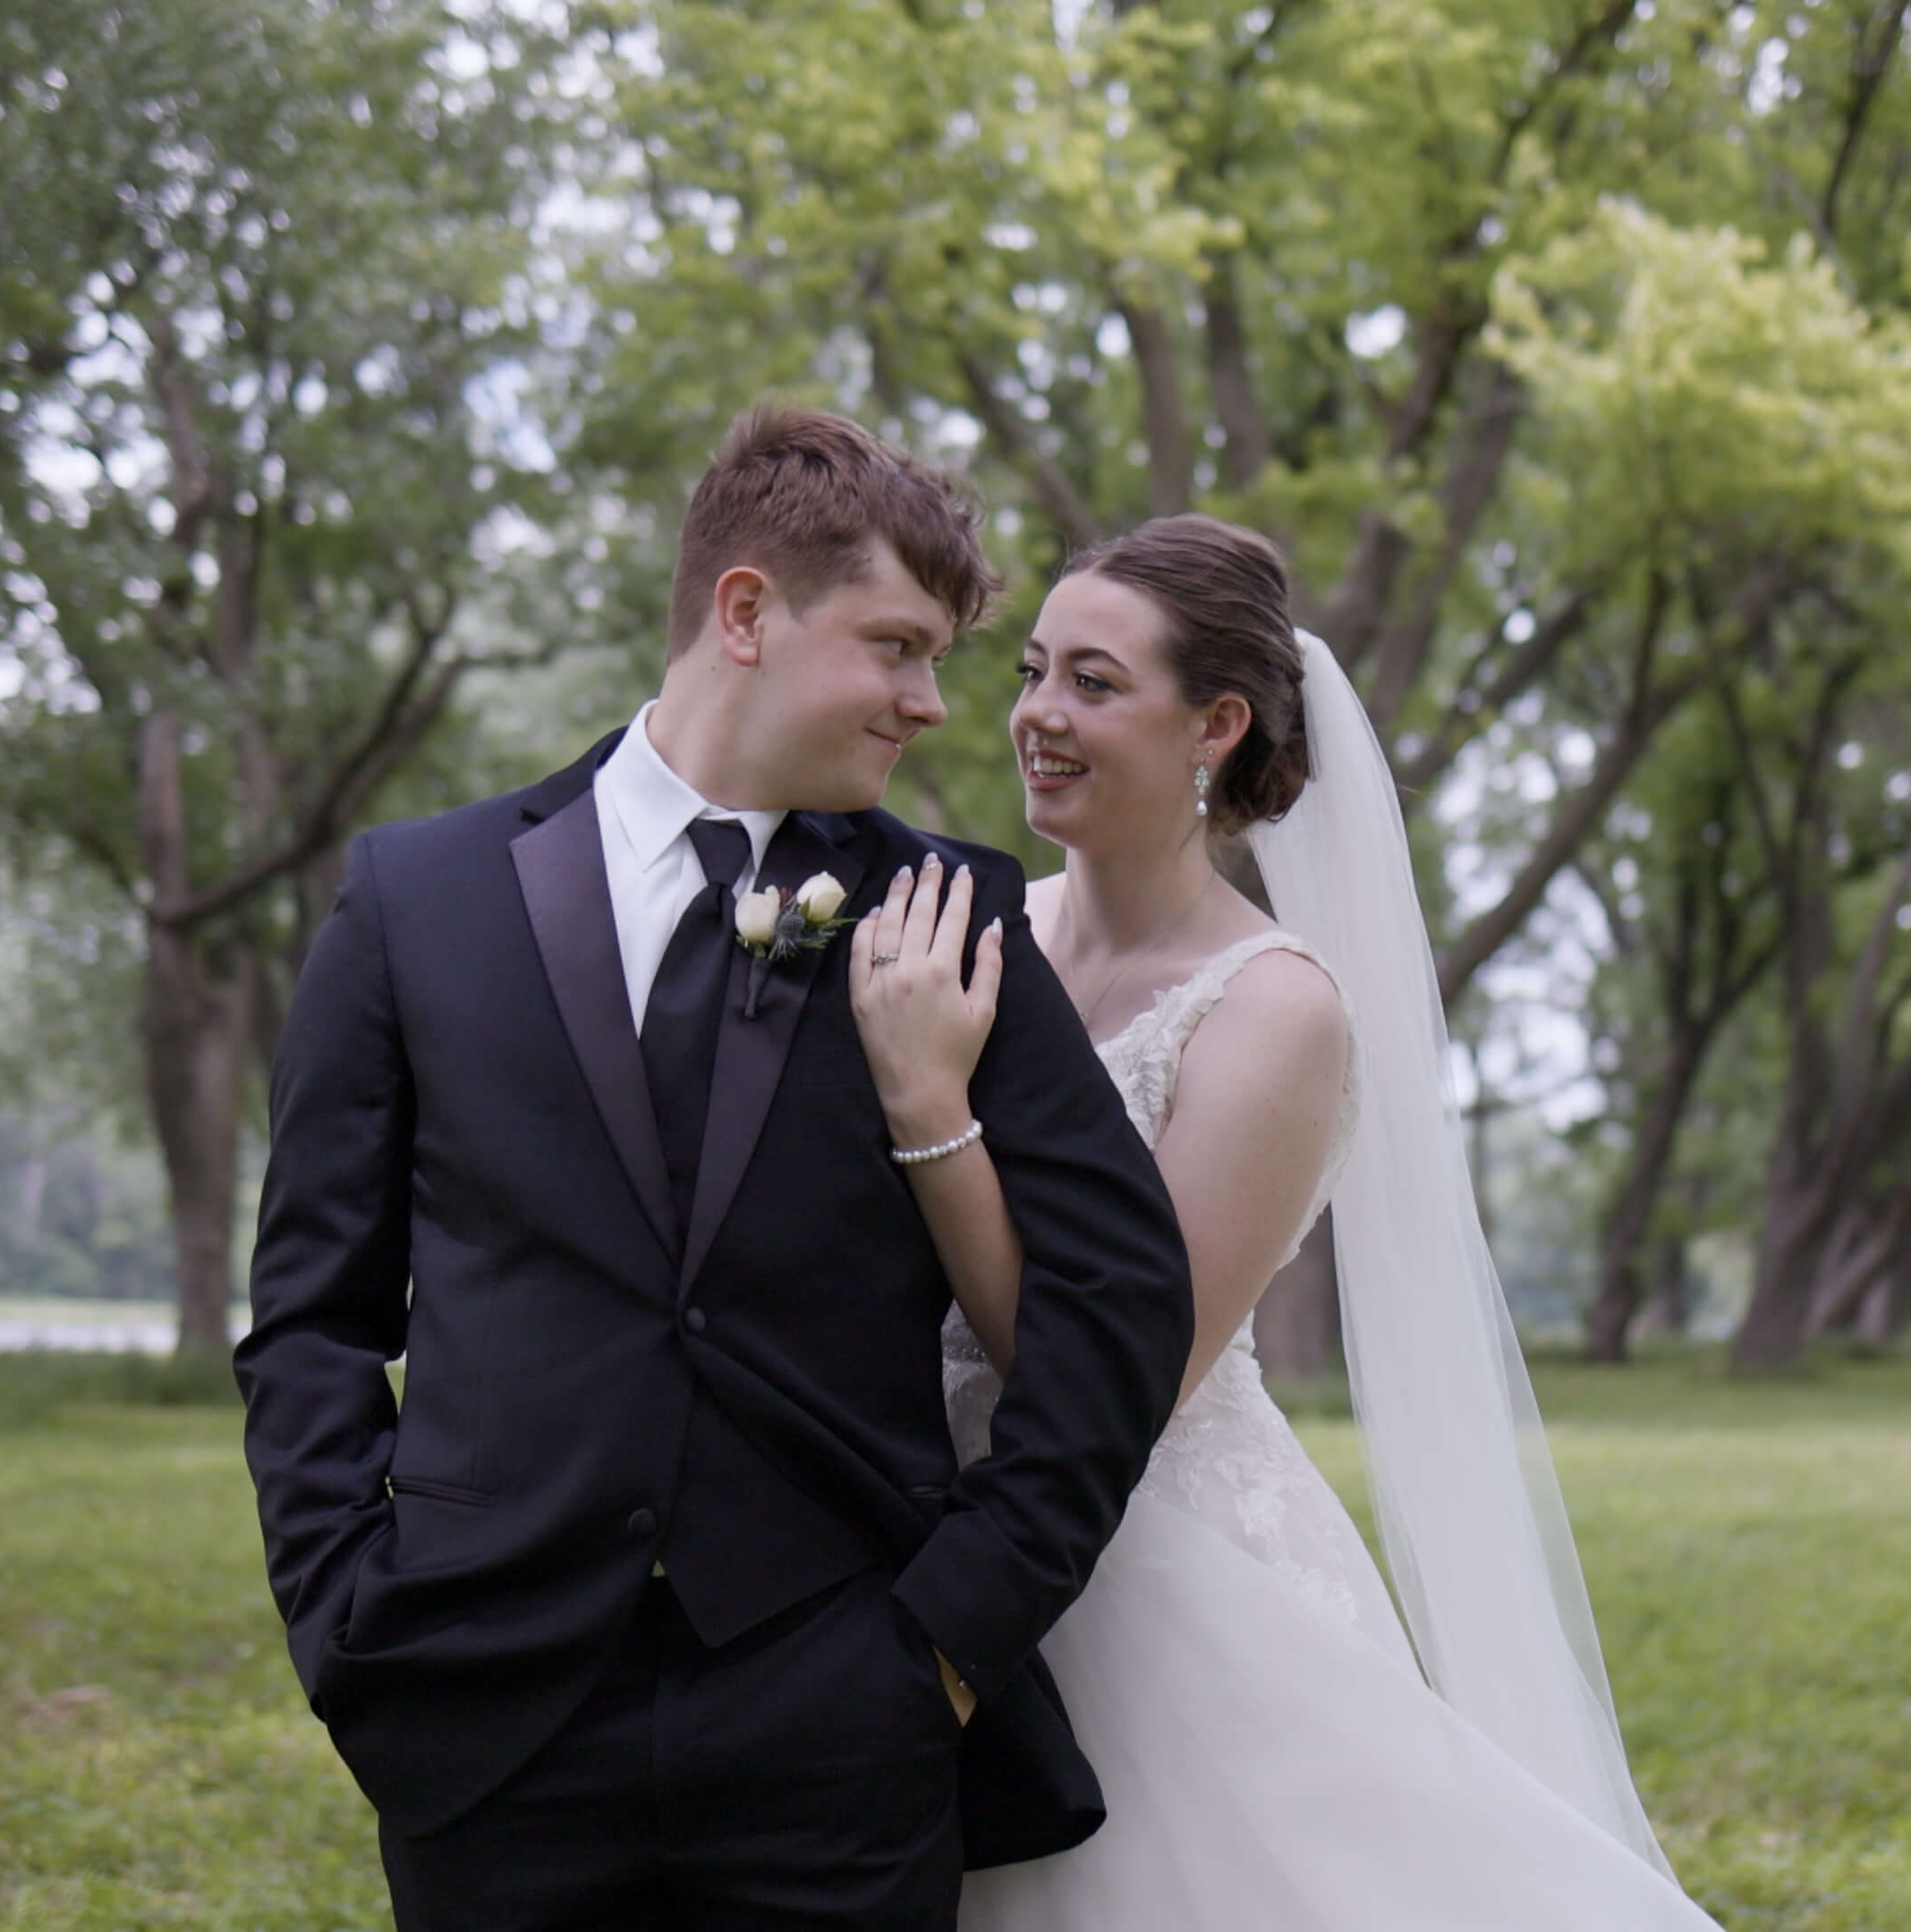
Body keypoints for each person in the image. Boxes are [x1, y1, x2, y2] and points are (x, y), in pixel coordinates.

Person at [234, 405, 1197, 1930]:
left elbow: (1126, 1302)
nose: (931, 703)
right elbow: (314, 1314)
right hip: (483, 1715)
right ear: (746, 612)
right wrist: (352, 1624)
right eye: (895, 645)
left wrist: (953, 1635)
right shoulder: (416, 901)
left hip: (842, 1726)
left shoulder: (951, 914)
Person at [847, 515, 1725, 1928]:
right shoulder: (979, 929)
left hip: (1156, 1583)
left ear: (1218, 725)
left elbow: (1122, 1382)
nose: (1036, 718)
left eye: (1093, 682)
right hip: (918, 1534)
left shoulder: (1272, 1010)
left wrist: (929, 1114)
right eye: (1030, 672)